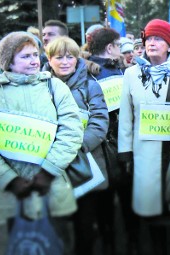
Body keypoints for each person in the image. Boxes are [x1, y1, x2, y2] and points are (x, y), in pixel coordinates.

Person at [0, 31, 83, 254]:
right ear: (8, 61)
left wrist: (48, 172)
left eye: (35, 55)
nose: (34, 60)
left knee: (60, 244)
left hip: (53, 188)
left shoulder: (55, 88)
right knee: (20, 246)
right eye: (25, 56)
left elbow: (71, 131)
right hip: (10, 195)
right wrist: (9, 179)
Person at [118, 19, 170, 255]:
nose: (151, 43)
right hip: (145, 153)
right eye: (148, 39)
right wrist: (125, 152)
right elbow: (126, 115)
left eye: (158, 39)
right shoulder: (131, 74)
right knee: (151, 210)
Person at [43, 37, 111, 255]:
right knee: (58, 226)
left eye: (69, 57)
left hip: (85, 163)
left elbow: (100, 122)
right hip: (51, 165)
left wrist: (74, 147)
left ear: (77, 59)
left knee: (85, 226)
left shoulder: (91, 86)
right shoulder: (39, 85)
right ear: (49, 59)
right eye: (58, 57)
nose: (64, 62)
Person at [87, 27, 140, 255]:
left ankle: (113, 242)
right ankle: (128, 243)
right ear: (110, 48)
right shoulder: (95, 73)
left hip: (107, 146)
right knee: (119, 200)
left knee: (107, 202)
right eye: (119, 46)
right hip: (113, 144)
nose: (121, 51)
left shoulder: (119, 70)